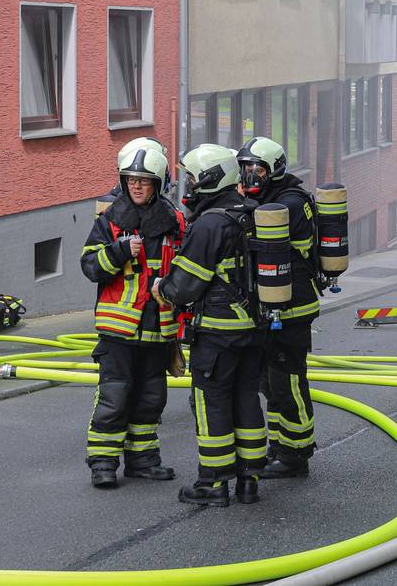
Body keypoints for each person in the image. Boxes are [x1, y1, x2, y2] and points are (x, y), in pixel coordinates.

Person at [162, 144, 266, 507]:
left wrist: (163, 287)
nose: (188, 185)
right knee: (246, 399)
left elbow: (184, 286)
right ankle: (249, 480)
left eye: (192, 178)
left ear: (209, 179)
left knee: (212, 403)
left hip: (219, 332)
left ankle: (214, 482)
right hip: (255, 330)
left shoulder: (209, 224)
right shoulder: (251, 213)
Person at [81, 141, 182, 488]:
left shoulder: (175, 222)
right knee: (115, 396)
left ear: (158, 183)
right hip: (118, 332)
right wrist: (119, 251)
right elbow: (90, 267)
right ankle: (103, 463)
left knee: (151, 398)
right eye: (130, 179)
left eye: (144, 180)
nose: (136, 186)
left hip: (158, 330)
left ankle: (143, 461)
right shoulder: (110, 221)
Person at [236, 137, 322, 479]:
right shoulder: (271, 197)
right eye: (245, 170)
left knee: (288, 382)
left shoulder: (288, 202)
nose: (249, 177)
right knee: (269, 383)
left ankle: (297, 453)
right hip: (269, 308)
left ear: (274, 171)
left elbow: (258, 226)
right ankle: (281, 445)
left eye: (257, 170)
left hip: (292, 308)